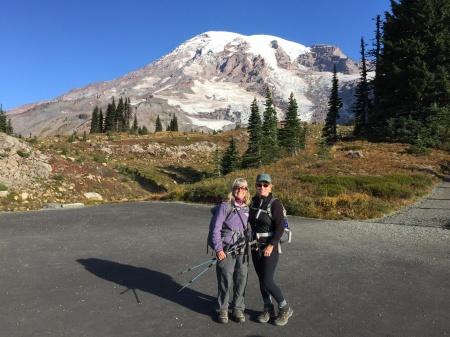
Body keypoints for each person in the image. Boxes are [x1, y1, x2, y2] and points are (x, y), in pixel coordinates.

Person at [248, 173, 293, 326]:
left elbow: (280, 227)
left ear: (270, 187)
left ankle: (284, 307)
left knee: (267, 280)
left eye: (265, 185)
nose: (262, 187)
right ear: (255, 186)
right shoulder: (253, 202)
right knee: (262, 280)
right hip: (255, 246)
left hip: (270, 247)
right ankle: (268, 308)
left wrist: (271, 245)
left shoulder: (275, 204)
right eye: (259, 185)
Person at [210, 178, 250, 324]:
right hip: (226, 249)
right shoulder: (225, 206)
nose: (240, 190)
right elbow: (216, 229)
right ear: (233, 189)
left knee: (241, 279)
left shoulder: (247, 208)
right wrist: (218, 248)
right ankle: (223, 309)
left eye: (244, 188)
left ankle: (238, 308)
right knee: (224, 279)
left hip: (243, 250)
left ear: (247, 191)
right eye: (237, 187)